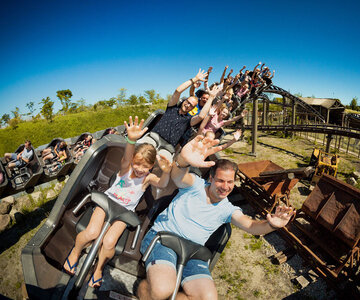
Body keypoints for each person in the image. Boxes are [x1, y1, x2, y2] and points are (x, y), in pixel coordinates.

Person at [138, 135, 295, 300]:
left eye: (230, 182)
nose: (225, 187)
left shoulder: (228, 209)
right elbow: (178, 175)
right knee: (162, 290)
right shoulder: (195, 184)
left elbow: (251, 225)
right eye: (220, 181)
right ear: (211, 178)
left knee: (208, 298)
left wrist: (273, 225)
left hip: (193, 252)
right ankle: (146, 290)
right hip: (164, 238)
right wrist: (182, 161)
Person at [63, 116, 173, 288]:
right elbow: (126, 158)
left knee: (108, 242)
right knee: (92, 233)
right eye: (137, 164)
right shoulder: (126, 169)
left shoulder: (148, 178)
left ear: (151, 167)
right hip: (107, 202)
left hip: (123, 212)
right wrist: (131, 140)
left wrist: (166, 172)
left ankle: (99, 268)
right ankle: (75, 252)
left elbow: (162, 184)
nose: (139, 169)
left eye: (144, 167)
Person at [136, 69, 219, 162]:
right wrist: (194, 79)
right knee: (139, 152)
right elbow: (177, 91)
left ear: (192, 109)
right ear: (184, 101)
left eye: (191, 105)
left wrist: (211, 97)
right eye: (187, 102)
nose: (188, 105)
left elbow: (201, 116)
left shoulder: (188, 120)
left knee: (165, 167)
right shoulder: (172, 108)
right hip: (153, 138)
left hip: (167, 148)